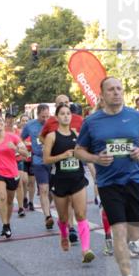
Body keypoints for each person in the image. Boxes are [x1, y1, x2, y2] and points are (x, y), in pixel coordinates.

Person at [75, 77, 139, 276]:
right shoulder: (92, 122)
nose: (116, 92)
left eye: (119, 88)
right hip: (109, 183)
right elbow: (79, 151)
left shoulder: (136, 116)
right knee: (118, 231)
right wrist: (96, 158)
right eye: (111, 89)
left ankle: (128, 246)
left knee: (134, 233)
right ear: (102, 94)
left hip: (134, 181)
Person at [44, 103, 95, 263]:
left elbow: (85, 154)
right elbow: (46, 160)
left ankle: (86, 249)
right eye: (63, 114)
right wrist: (63, 156)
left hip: (77, 178)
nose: (66, 116)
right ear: (57, 117)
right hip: (60, 180)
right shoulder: (52, 136)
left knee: (80, 214)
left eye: (68, 113)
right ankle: (64, 234)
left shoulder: (77, 134)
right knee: (64, 217)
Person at [0, 114, 28, 239]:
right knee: (2, 197)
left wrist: (15, 148)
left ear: (4, 123)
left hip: (12, 172)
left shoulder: (13, 137)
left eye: (0, 120)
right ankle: (4, 225)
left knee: (9, 201)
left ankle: (7, 224)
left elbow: (26, 154)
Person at [22, 105, 54, 229]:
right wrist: (23, 148)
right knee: (44, 189)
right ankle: (47, 216)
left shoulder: (54, 123)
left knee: (52, 191)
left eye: (47, 116)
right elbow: (20, 138)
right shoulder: (30, 125)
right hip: (38, 160)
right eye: (43, 117)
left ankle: (48, 209)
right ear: (37, 114)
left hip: (53, 160)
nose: (46, 119)